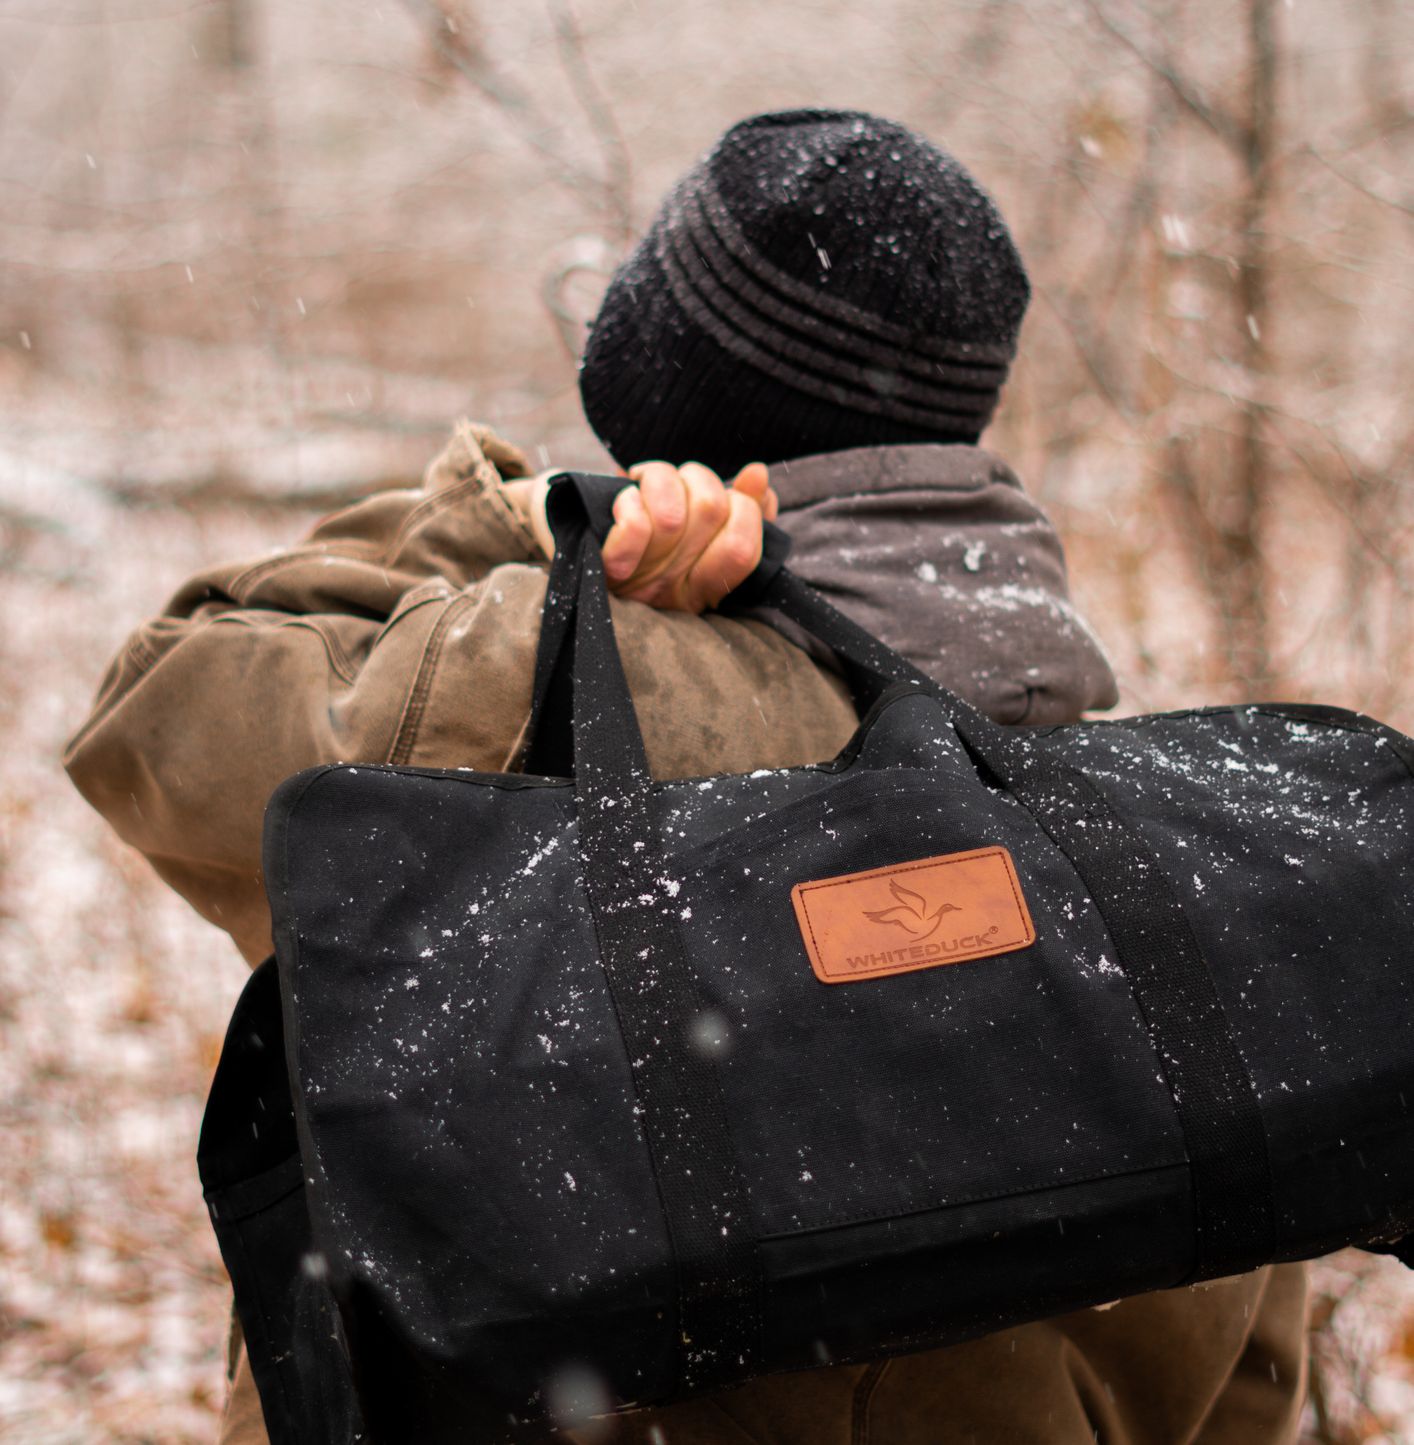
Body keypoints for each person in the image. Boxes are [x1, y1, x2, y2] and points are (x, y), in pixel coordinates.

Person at [64, 110, 1305, 1445]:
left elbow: (152, 716)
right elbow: (1255, 1381)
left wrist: (527, 529)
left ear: (664, 392)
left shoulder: (575, 711)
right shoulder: (1173, 834)